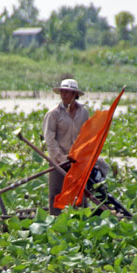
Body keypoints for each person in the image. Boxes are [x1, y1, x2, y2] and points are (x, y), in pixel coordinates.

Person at [43, 78, 88, 215]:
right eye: (62, 92)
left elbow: (86, 136)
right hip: (58, 161)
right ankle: (54, 219)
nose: (64, 95)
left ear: (75, 94)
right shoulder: (53, 114)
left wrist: (81, 157)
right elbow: (50, 139)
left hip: (77, 161)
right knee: (56, 193)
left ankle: (81, 218)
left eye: (68, 92)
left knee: (81, 193)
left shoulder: (83, 112)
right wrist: (62, 159)